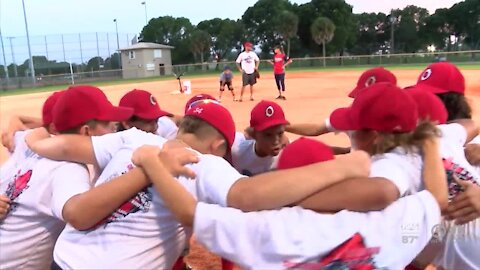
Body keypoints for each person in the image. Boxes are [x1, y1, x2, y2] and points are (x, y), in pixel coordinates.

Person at [27, 101, 370, 269]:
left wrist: (25, 132)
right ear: (220, 146)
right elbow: (248, 197)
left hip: (65, 258)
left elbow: (60, 145)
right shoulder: (206, 164)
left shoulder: (131, 138)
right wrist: (346, 166)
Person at [131, 132, 447, 269]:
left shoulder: (269, 229)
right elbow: (436, 200)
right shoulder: (388, 225)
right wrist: (430, 144)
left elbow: (189, 213)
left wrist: (152, 164)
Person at [0, 85, 133, 270]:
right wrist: (144, 172)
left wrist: (19, 121)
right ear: (86, 132)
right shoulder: (70, 170)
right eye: (110, 124)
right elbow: (80, 216)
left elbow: (27, 128)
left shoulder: (29, 142)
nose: (115, 130)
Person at [232, 100, 289, 176]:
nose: (275, 141)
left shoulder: (289, 154)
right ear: (254, 134)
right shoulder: (237, 151)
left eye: (280, 133)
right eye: (268, 135)